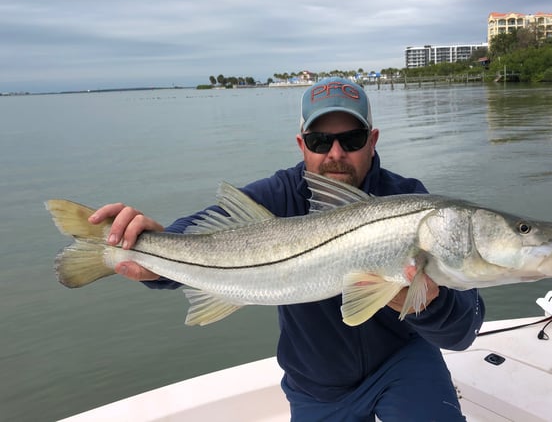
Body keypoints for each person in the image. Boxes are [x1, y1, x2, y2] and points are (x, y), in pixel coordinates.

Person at [90, 77, 485, 421]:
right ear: (301, 144)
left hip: (404, 362)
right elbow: (198, 234)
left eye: (351, 139)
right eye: (319, 140)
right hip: (317, 379)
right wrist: (152, 253)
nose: (335, 153)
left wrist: (430, 306)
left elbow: (463, 330)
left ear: (372, 140)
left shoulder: (409, 201)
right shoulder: (277, 195)